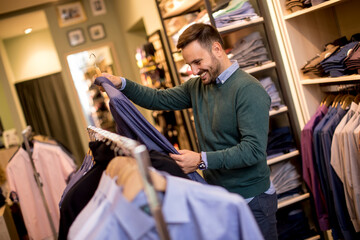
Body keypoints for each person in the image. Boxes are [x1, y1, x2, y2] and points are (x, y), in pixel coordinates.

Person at [96, 23, 278, 239]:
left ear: (217, 49)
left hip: (253, 200)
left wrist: (201, 160)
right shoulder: (198, 86)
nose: (193, 71)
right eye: (189, 64)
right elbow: (158, 99)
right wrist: (121, 83)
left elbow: (253, 151)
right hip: (220, 195)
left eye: (197, 62)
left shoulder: (249, 90)